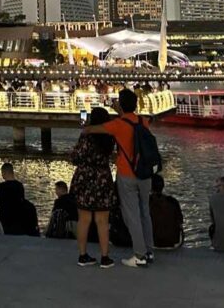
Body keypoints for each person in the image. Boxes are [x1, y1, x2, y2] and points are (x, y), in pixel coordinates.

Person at [84, 88, 153, 267]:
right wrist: (120, 111)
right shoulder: (143, 121)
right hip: (145, 174)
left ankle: (139, 255)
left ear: (121, 104)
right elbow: (129, 120)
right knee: (145, 211)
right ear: (136, 104)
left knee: (132, 215)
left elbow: (93, 129)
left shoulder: (116, 125)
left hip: (127, 174)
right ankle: (149, 250)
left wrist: (84, 126)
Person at [70, 106, 116, 268]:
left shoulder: (86, 135)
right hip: (102, 178)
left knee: (84, 219)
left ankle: (83, 255)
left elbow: (75, 157)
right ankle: (105, 257)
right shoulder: (109, 137)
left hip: (85, 177)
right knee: (102, 220)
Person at [0, 163, 34, 235]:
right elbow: (22, 200)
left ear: (4, 172)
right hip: (17, 218)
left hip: (4, 219)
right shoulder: (19, 185)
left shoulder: (1, 186)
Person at [150, 175, 184, 250]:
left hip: (153, 241)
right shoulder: (173, 201)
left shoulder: (146, 202)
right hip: (171, 240)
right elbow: (180, 221)